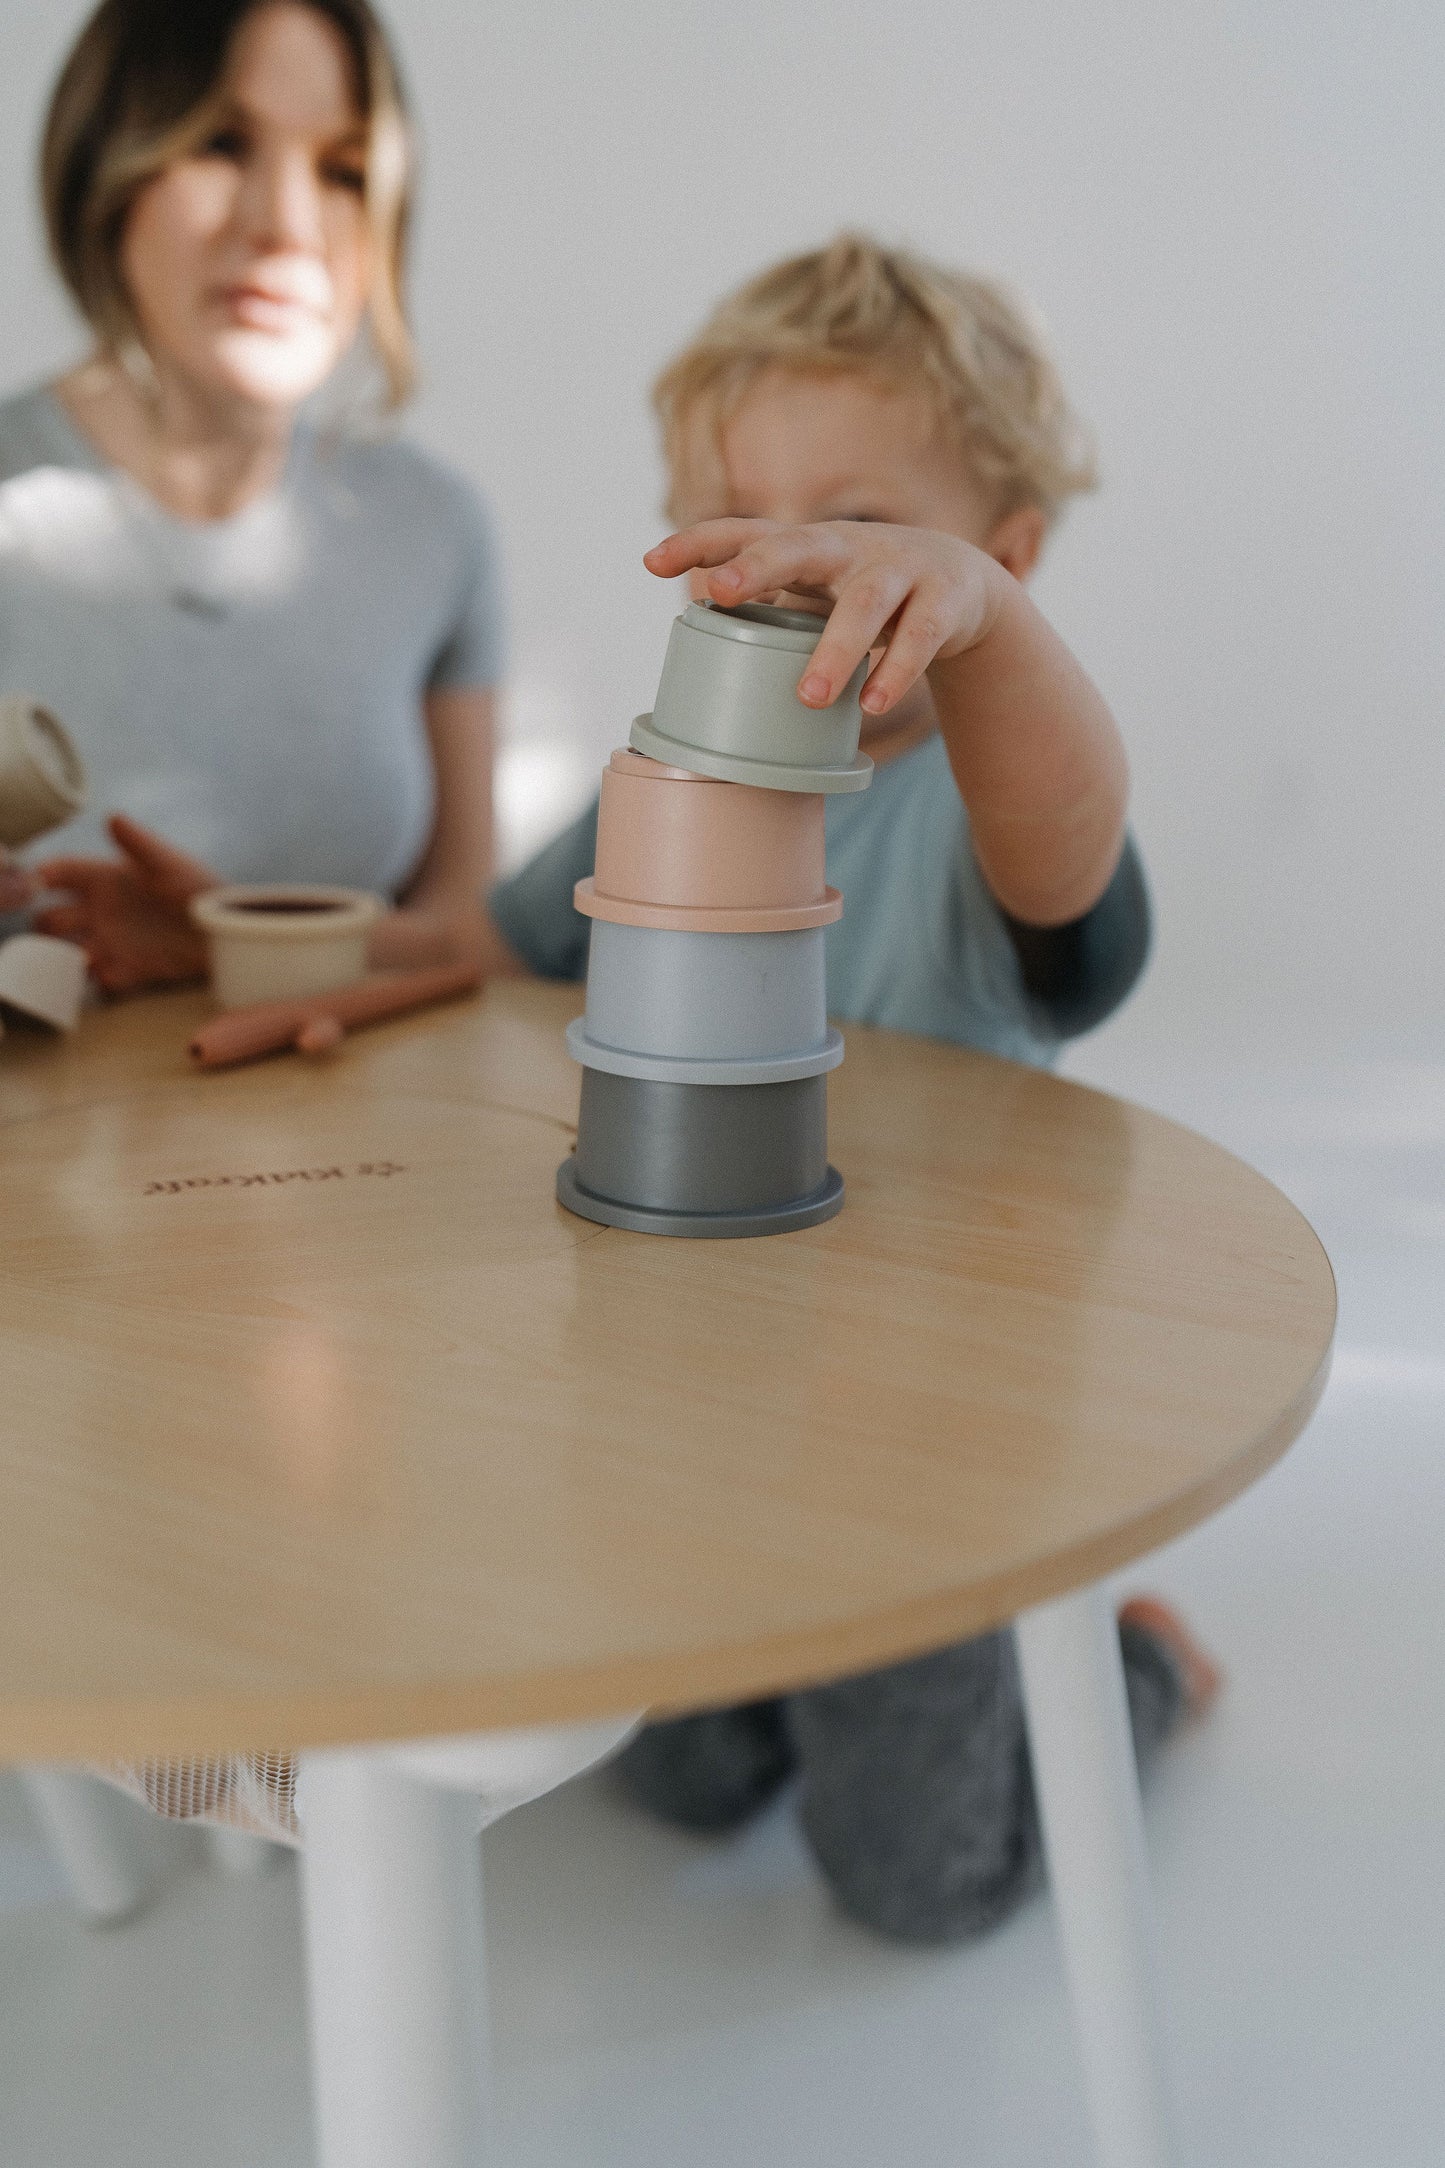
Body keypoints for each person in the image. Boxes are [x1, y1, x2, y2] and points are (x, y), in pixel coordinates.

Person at [488, 234, 1221, 1945]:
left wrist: (984, 633)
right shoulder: (669, 787)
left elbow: (1070, 830)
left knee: (913, 1874)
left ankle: (1135, 1671)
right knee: (674, 1772)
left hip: (926, 1432)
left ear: (1002, 558)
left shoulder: (983, 816)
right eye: (742, 522)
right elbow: (495, 950)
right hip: (703, 1401)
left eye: (860, 528)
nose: (789, 568)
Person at [1, 0, 500, 985]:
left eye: (342, 171)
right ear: (105, 170)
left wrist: (222, 942)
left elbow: (469, 939)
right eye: (222, 145)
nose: (286, 224)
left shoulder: (436, 528)